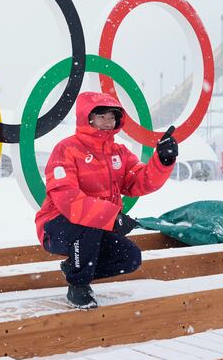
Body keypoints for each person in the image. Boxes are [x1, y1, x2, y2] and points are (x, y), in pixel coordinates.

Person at [34, 91, 178, 309]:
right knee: (89, 223)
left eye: (112, 117)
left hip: (96, 228)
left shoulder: (118, 152)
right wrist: (112, 218)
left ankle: (75, 265)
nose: (108, 122)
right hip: (56, 226)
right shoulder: (66, 149)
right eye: (101, 116)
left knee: (130, 258)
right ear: (87, 117)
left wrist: (163, 160)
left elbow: (139, 180)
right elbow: (68, 200)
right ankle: (78, 287)